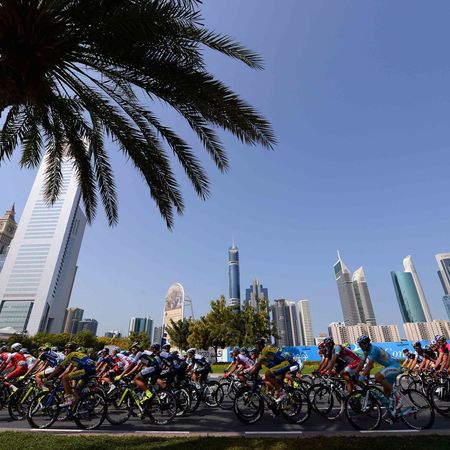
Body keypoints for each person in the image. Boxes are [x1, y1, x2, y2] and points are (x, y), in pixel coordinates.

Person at [355, 335, 401, 418]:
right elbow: (362, 363)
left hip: (395, 367)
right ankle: (391, 414)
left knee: (378, 376)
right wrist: (356, 373)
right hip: (390, 367)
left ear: (366, 344)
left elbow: (369, 364)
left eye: (361, 345)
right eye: (359, 345)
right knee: (386, 397)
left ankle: (398, 396)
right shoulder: (366, 351)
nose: (360, 346)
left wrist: (362, 377)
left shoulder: (373, 349)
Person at [47, 342, 96, 407]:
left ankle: (70, 399)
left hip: (86, 370)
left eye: (68, 348)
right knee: (76, 388)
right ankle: (79, 404)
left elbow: (60, 367)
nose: (66, 350)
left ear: (73, 349)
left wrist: (49, 377)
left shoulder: (70, 355)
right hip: (92, 370)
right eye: (66, 348)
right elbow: (69, 369)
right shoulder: (78, 355)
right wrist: (60, 376)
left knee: (64, 378)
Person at [247, 338, 290, 402]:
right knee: (271, 381)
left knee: (267, 374)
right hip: (279, 365)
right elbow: (259, 367)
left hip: (284, 363)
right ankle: (280, 398)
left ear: (260, 345)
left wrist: (248, 374)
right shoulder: (263, 354)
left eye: (256, 345)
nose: (256, 347)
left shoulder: (265, 350)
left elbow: (257, 365)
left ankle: (282, 392)